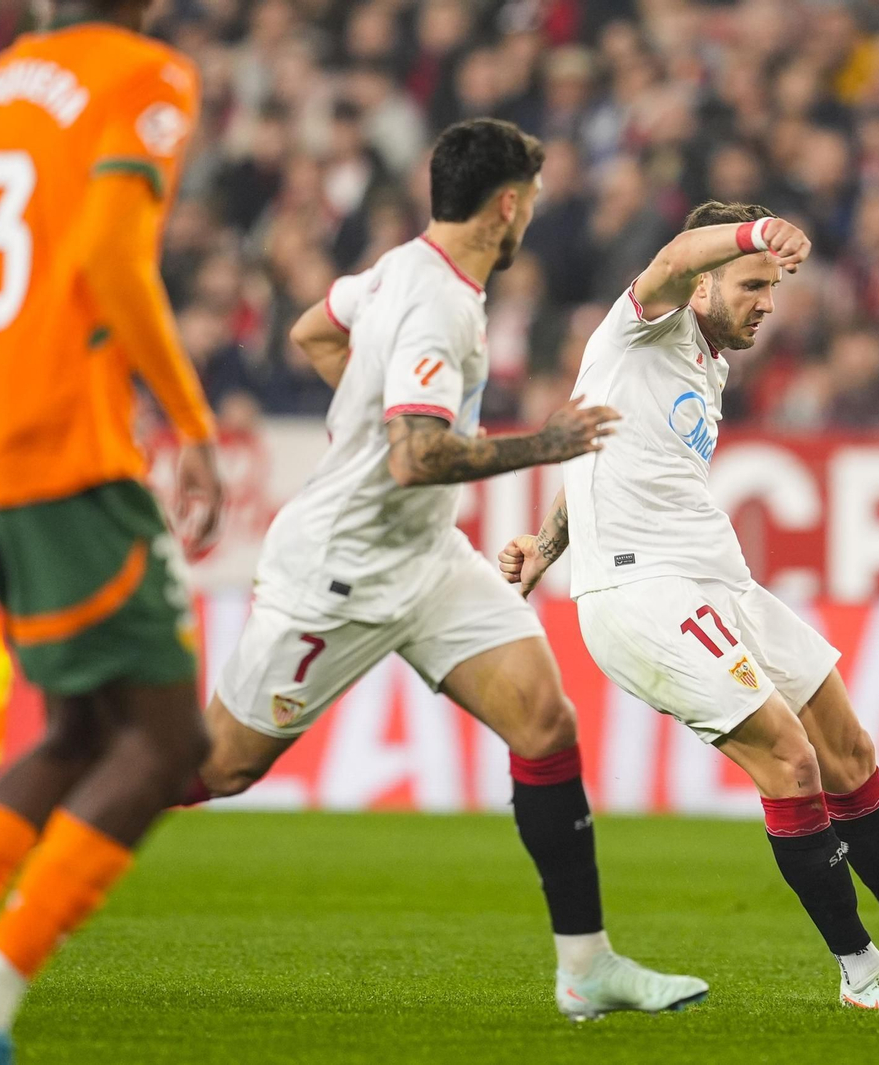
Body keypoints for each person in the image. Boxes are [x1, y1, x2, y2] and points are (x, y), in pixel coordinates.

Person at [192, 118, 706, 1022]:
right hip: (341, 569)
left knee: (545, 722)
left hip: (425, 557)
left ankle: (586, 968)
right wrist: (543, 443)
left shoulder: (400, 267)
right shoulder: (439, 304)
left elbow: (317, 331)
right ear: (506, 205)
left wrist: (370, 401)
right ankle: (20, 826)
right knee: (217, 766)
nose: (532, 220)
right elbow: (413, 459)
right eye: (532, 204)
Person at [500, 202, 879, 1011]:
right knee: (790, 761)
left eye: (773, 288)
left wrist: (543, 546)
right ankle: (862, 974)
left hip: (721, 582)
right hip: (644, 591)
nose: (766, 300)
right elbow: (676, 255)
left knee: (847, 747)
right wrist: (759, 234)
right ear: (702, 283)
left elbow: (599, 451)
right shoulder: (642, 326)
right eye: (752, 284)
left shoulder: (704, 365)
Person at [0, 2, 225, 1060]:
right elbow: (113, 253)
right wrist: (191, 419)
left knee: (81, 730)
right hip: (64, 443)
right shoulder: (145, 74)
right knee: (168, 740)